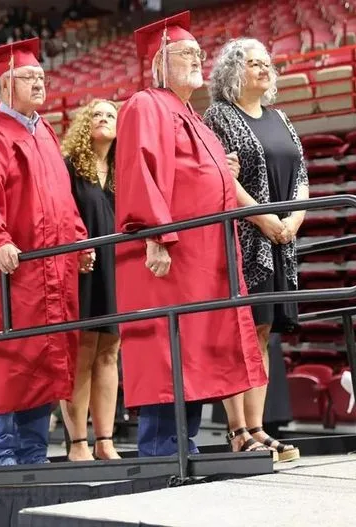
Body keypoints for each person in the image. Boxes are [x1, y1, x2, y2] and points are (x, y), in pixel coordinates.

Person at [114, 12, 268, 458]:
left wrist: (223, 171)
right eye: (187, 53)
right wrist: (155, 235)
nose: (198, 59)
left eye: (200, 53)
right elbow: (140, 171)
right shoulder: (147, 104)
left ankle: (186, 447)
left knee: (195, 352)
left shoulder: (189, 114)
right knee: (169, 351)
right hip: (172, 256)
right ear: (160, 63)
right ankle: (162, 453)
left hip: (204, 257)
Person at [0, 38, 93, 466]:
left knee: (47, 358)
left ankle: (34, 453)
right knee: (9, 359)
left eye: (41, 76)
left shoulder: (46, 131)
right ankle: (1, 454)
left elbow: (63, 199)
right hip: (15, 272)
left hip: (55, 268)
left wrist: (79, 240)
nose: (39, 83)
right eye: (28, 77)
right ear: (4, 85)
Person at [203, 37, 308, 462]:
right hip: (243, 237)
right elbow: (220, 176)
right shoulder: (219, 115)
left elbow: (301, 172)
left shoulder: (280, 117)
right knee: (240, 331)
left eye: (267, 63)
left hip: (281, 237)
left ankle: (259, 429)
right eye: (253, 63)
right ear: (232, 71)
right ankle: (237, 430)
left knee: (263, 333)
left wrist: (293, 220)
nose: (264, 69)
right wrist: (262, 217)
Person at [60, 99, 121, 462]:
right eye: (96, 114)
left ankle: (106, 439)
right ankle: (77, 442)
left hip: (116, 265)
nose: (103, 118)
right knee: (82, 351)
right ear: (85, 123)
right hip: (82, 265)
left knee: (110, 351)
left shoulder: (122, 168)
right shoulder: (70, 167)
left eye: (110, 115)